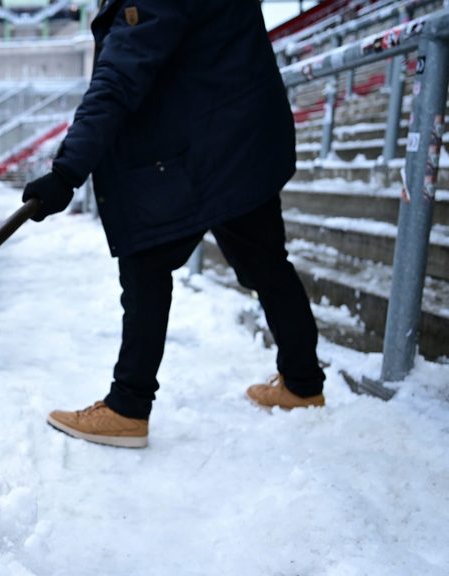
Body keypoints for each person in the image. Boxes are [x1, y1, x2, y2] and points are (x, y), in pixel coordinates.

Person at [22, 0, 326, 448]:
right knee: (266, 263)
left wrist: (66, 172)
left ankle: (127, 407)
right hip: (241, 138)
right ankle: (302, 384)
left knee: (145, 257)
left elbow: (119, 78)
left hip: (211, 148)